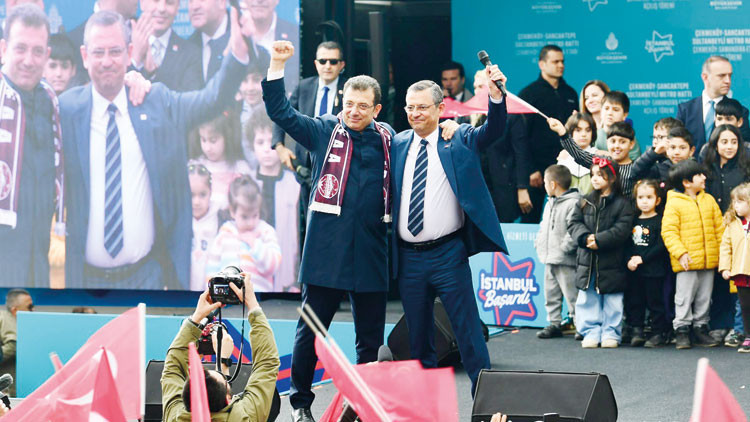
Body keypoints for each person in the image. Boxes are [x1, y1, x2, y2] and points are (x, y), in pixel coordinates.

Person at [60, 9, 251, 289]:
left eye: (115, 51)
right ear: (85, 56)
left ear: (129, 53)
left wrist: (238, 54)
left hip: (146, 278)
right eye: (98, 52)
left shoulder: (155, 102)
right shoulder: (65, 110)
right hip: (84, 282)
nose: (107, 61)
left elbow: (211, 100)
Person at [261, 40, 399, 422]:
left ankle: (362, 406)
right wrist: (277, 65)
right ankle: (300, 405)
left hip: (371, 251)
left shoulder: (390, 140)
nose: (353, 111)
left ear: (377, 109)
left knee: (369, 341)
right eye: (349, 104)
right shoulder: (323, 130)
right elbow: (280, 112)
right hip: (326, 250)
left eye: (362, 106)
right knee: (311, 332)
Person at [391, 67, 507, 395]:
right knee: (418, 340)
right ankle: (428, 409)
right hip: (408, 258)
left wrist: (496, 95)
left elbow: (493, 131)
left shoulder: (458, 138)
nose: (415, 113)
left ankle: (486, 405)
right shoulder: (397, 143)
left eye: (422, 107)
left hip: (447, 254)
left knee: (468, 332)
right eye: (410, 107)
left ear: (441, 108)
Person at [0, 4, 63, 287]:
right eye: (20, 48)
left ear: (47, 55)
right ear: (3, 49)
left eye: (37, 51)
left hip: (39, 262)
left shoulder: (53, 103)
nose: (29, 60)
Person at [161, 279, 280, 421]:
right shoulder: (244, 417)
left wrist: (197, 317)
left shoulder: (174, 416)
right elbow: (267, 364)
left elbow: (173, 366)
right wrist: (252, 304)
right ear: (228, 399)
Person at [272, 41, 347, 252]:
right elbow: (282, 115)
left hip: (339, 166)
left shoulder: (350, 89)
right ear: (316, 63)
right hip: (306, 167)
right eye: (323, 61)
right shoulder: (304, 87)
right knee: (310, 224)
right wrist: (279, 146)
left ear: (342, 65)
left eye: (333, 61)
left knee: (337, 227)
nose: (328, 66)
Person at [567, 158, 634, 348]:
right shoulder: (584, 201)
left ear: (612, 178)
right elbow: (573, 223)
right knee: (588, 298)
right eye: (593, 175)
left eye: (600, 175)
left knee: (613, 300)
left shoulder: (623, 204)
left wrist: (600, 240)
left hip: (612, 261)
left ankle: (611, 333)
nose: (595, 179)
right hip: (587, 261)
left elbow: (622, 229)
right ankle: (590, 332)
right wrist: (585, 238)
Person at [661, 160, 724, 349]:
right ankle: (681, 328)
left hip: (709, 260)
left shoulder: (709, 200)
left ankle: (700, 327)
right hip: (686, 262)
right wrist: (680, 253)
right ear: (686, 182)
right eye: (699, 175)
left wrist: (722, 255)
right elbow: (669, 232)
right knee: (684, 296)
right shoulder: (674, 203)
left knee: (705, 296)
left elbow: (719, 228)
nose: (704, 177)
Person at [519, 44, 578, 223]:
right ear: (542, 64)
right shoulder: (529, 94)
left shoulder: (570, 93)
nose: (561, 65)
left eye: (562, 61)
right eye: (555, 62)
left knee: (567, 219)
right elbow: (521, 137)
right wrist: (531, 170)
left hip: (566, 167)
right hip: (537, 172)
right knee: (531, 220)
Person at [248, 111, 300, 292]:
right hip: (252, 272)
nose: (266, 149)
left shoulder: (294, 184)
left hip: (285, 275)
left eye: (271, 143)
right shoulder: (246, 181)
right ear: (251, 145)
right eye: (260, 142)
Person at [472, 69, 533, 222]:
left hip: (504, 185)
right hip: (479, 185)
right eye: (475, 87)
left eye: (481, 86)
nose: (476, 91)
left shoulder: (512, 115)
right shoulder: (470, 117)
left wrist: (522, 188)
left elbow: (521, 153)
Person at [204, 175, 282, 292]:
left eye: (255, 215)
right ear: (232, 211)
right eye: (244, 217)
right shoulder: (224, 234)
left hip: (257, 298)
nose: (250, 222)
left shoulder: (266, 232)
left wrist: (255, 244)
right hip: (229, 298)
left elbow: (273, 266)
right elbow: (212, 269)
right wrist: (212, 295)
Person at [535, 165, 580, 339]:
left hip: (565, 259)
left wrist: (565, 248)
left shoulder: (573, 203)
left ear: (553, 184)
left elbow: (574, 229)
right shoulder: (549, 203)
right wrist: (539, 242)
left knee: (572, 294)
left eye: (546, 183)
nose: (545, 186)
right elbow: (543, 226)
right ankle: (554, 323)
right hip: (549, 257)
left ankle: (579, 324)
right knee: (550, 293)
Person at [625, 179, 670, 347]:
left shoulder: (660, 220)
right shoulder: (633, 221)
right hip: (634, 270)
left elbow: (661, 245)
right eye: (641, 197)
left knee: (655, 302)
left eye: (649, 197)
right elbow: (627, 243)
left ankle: (658, 332)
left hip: (654, 270)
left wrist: (643, 258)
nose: (644, 201)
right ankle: (637, 330)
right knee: (635, 301)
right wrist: (629, 259)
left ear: (657, 200)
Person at [677, 55, 750, 154]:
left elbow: (744, 148)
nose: (728, 81)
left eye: (730, 75)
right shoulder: (685, 109)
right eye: (721, 76)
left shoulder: (740, 111)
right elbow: (676, 143)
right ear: (705, 77)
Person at [549, 119, 638, 196]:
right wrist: (562, 132)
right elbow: (580, 155)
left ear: (631, 144)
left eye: (622, 142)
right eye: (613, 141)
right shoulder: (601, 162)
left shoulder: (637, 168)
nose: (617, 146)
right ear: (607, 142)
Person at [188, 0, 269, 86]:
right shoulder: (187, 48)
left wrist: (251, 43)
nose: (194, 6)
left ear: (221, 2)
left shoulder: (247, 38)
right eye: (191, 1)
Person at [130, 0, 203, 92]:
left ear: (177, 8)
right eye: (156, 1)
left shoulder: (191, 54)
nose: (162, 9)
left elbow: (188, 98)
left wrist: (153, 75)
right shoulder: (123, 46)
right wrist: (136, 60)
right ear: (142, 3)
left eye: (169, 2)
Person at [189, 110, 253, 210]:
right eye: (203, 140)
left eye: (213, 141)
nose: (207, 148)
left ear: (227, 138)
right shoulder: (195, 167)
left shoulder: (241, 169)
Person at [719, 183, 750, 353]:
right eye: (734, 202)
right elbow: (725, 247)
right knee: (745, 306)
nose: (735, 205)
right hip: (740, 272)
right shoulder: (732, 224)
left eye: (739, 201)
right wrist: (725, 268)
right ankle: (748, 336)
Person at [189, 162, 219, 291]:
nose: (196, 202)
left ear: (210, 192)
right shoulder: (180, 221)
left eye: (202, 195)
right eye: (191, 195)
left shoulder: (219, 218)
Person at [631, 126, 696, 186]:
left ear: (691, 151)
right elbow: (635, 173)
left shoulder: (696, 170)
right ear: (666, 149)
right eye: (672, 147)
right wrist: (654, 152)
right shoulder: (659, 169)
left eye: (682, 148)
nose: (677, 152)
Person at [0, 289, 34, 397]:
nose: (33, 310)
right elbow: (13, 345)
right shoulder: (8, 319)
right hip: (9, 386)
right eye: (29, 307)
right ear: (15, 310)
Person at [557, 112, 599, 195]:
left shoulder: (597, 156)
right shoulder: (564, 157)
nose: (583, 134)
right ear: (570, 132)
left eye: (588, 130)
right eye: (578, 130)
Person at [593, 91, 642, 161]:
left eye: (615, 110)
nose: (610, 113)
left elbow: (635, 163)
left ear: (625, 115)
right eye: (606, 108)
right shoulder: (593, 136)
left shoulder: (629, 137)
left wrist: (607, 154)